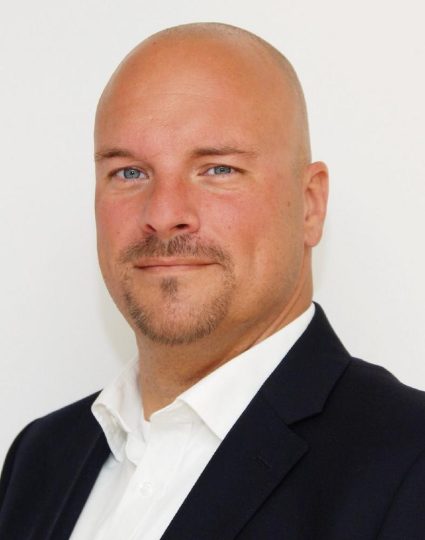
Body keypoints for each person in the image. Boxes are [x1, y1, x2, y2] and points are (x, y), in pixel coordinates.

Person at [0, 22, 424, 540]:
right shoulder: (39, 460)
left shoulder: (409, 464)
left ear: (310, 205)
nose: (164, 214)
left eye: (217, 169)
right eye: (130, 172)